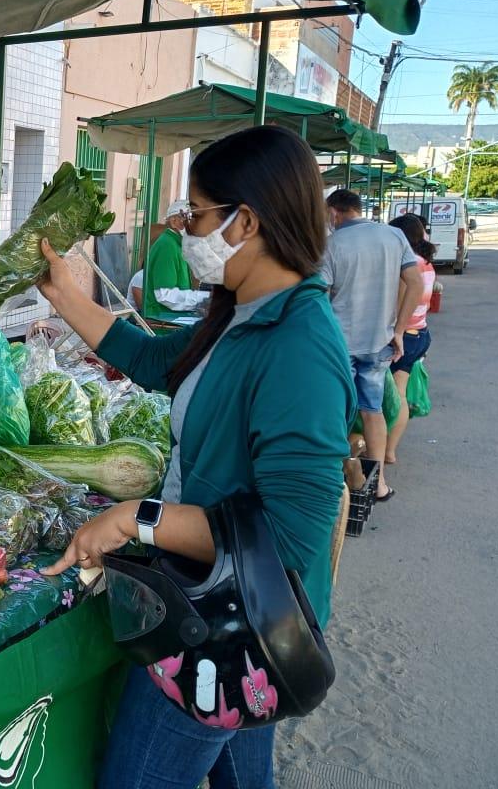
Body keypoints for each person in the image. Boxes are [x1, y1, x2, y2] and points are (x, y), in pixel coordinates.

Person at [40, 126, 355, 789]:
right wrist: (67, 293)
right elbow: (158, 361)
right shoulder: (243, 310)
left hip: (231, 624)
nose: (183, 230)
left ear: (246, 221)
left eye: (195, 215)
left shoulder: (299, 343)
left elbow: (291, 536)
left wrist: (136, 518)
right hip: (214, 599)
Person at [322, 188, 423, 502]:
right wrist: (399, 329)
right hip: (379, 342)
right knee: (372, 411)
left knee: (334, 413)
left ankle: (336, 483)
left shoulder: (331, 244)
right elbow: (416, 283)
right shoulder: (394, 236)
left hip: (339, 344)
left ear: (334, 212)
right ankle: (378, 485)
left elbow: (321, 297)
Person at [385, 214, 436, 466]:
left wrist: (394, 333)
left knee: (395, 396)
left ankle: (387, 449)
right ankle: (389, 450)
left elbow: (399, 304)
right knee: (400, 393)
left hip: (405, 335)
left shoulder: (410, 264)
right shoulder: (426, 262)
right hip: (420, 332)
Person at [127, 207, 204, 316]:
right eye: (190, 218)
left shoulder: (177, 245)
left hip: (171, 317)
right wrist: (202, 299)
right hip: (162, 319)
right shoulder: (167, 245)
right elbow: (165, 294)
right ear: (174, 222)